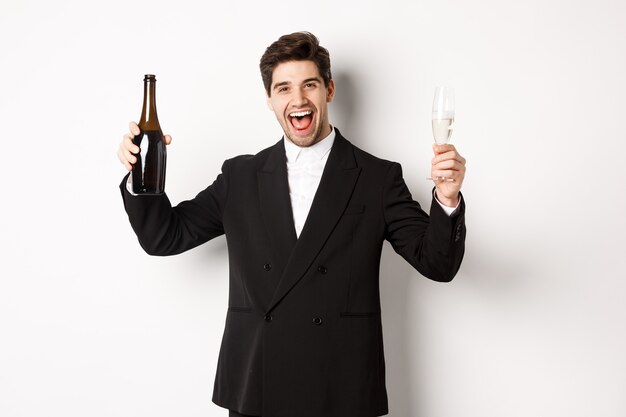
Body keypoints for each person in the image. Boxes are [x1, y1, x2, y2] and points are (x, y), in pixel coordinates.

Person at [117, 32, 466, 417]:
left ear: (329, 90)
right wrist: (141, 174)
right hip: (258, 386)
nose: (297, 100)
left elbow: (437, 263)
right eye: (284, 88)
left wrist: (446, 199)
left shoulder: (376, 178)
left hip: (341, 390)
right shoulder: (240, 177)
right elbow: (163, 237)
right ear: (269, 100)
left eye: (309, 85)